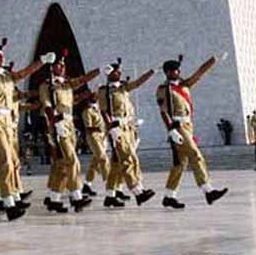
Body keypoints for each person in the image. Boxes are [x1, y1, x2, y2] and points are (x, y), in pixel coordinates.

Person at [0, 41, 51, 221]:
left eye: (2, 54)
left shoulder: (7, 76)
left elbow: (23, 73)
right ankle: (9, 205)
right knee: (7, 162)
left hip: (8, 123)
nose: (2, 57)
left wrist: (41, 61)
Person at [156, 55, 229, 209]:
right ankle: (208, 191)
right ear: (168, 72)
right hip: (177, 127)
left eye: (178, 69)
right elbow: (163, 112)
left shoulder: (184, 86)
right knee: (195, 155)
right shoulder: (163, 89)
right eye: (175, 70)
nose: (178, 72)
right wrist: (171, 131)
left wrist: (213, 60)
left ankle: (169, 196)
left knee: (180, 164)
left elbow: (198, 74)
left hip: (188, 126)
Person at [39, 53, 99, 213]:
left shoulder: (66, 84)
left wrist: (98, 70)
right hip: (58, 124)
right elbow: (47, 106)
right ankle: (77, 196)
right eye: (60, 65)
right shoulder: (46, 85)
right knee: (72, 160)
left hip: (69, 123)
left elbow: (83, 80)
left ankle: (54, 199)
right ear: (52, 67)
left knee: (62, 165)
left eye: (64, 66)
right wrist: (55, 123)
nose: (63, 68)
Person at [99, 60, 156, 208]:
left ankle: (110, 195)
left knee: (118, 163)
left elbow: (137, 83)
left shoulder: (123, 88)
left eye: (120, 71)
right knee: (127, 158)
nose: (119, 74)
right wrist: (111, 128)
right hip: (116, 128)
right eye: (116, 72)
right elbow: (104, 111)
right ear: (109, 73)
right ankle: (137, 192)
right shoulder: (104, 91)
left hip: (127, 127)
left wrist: (151, 72)